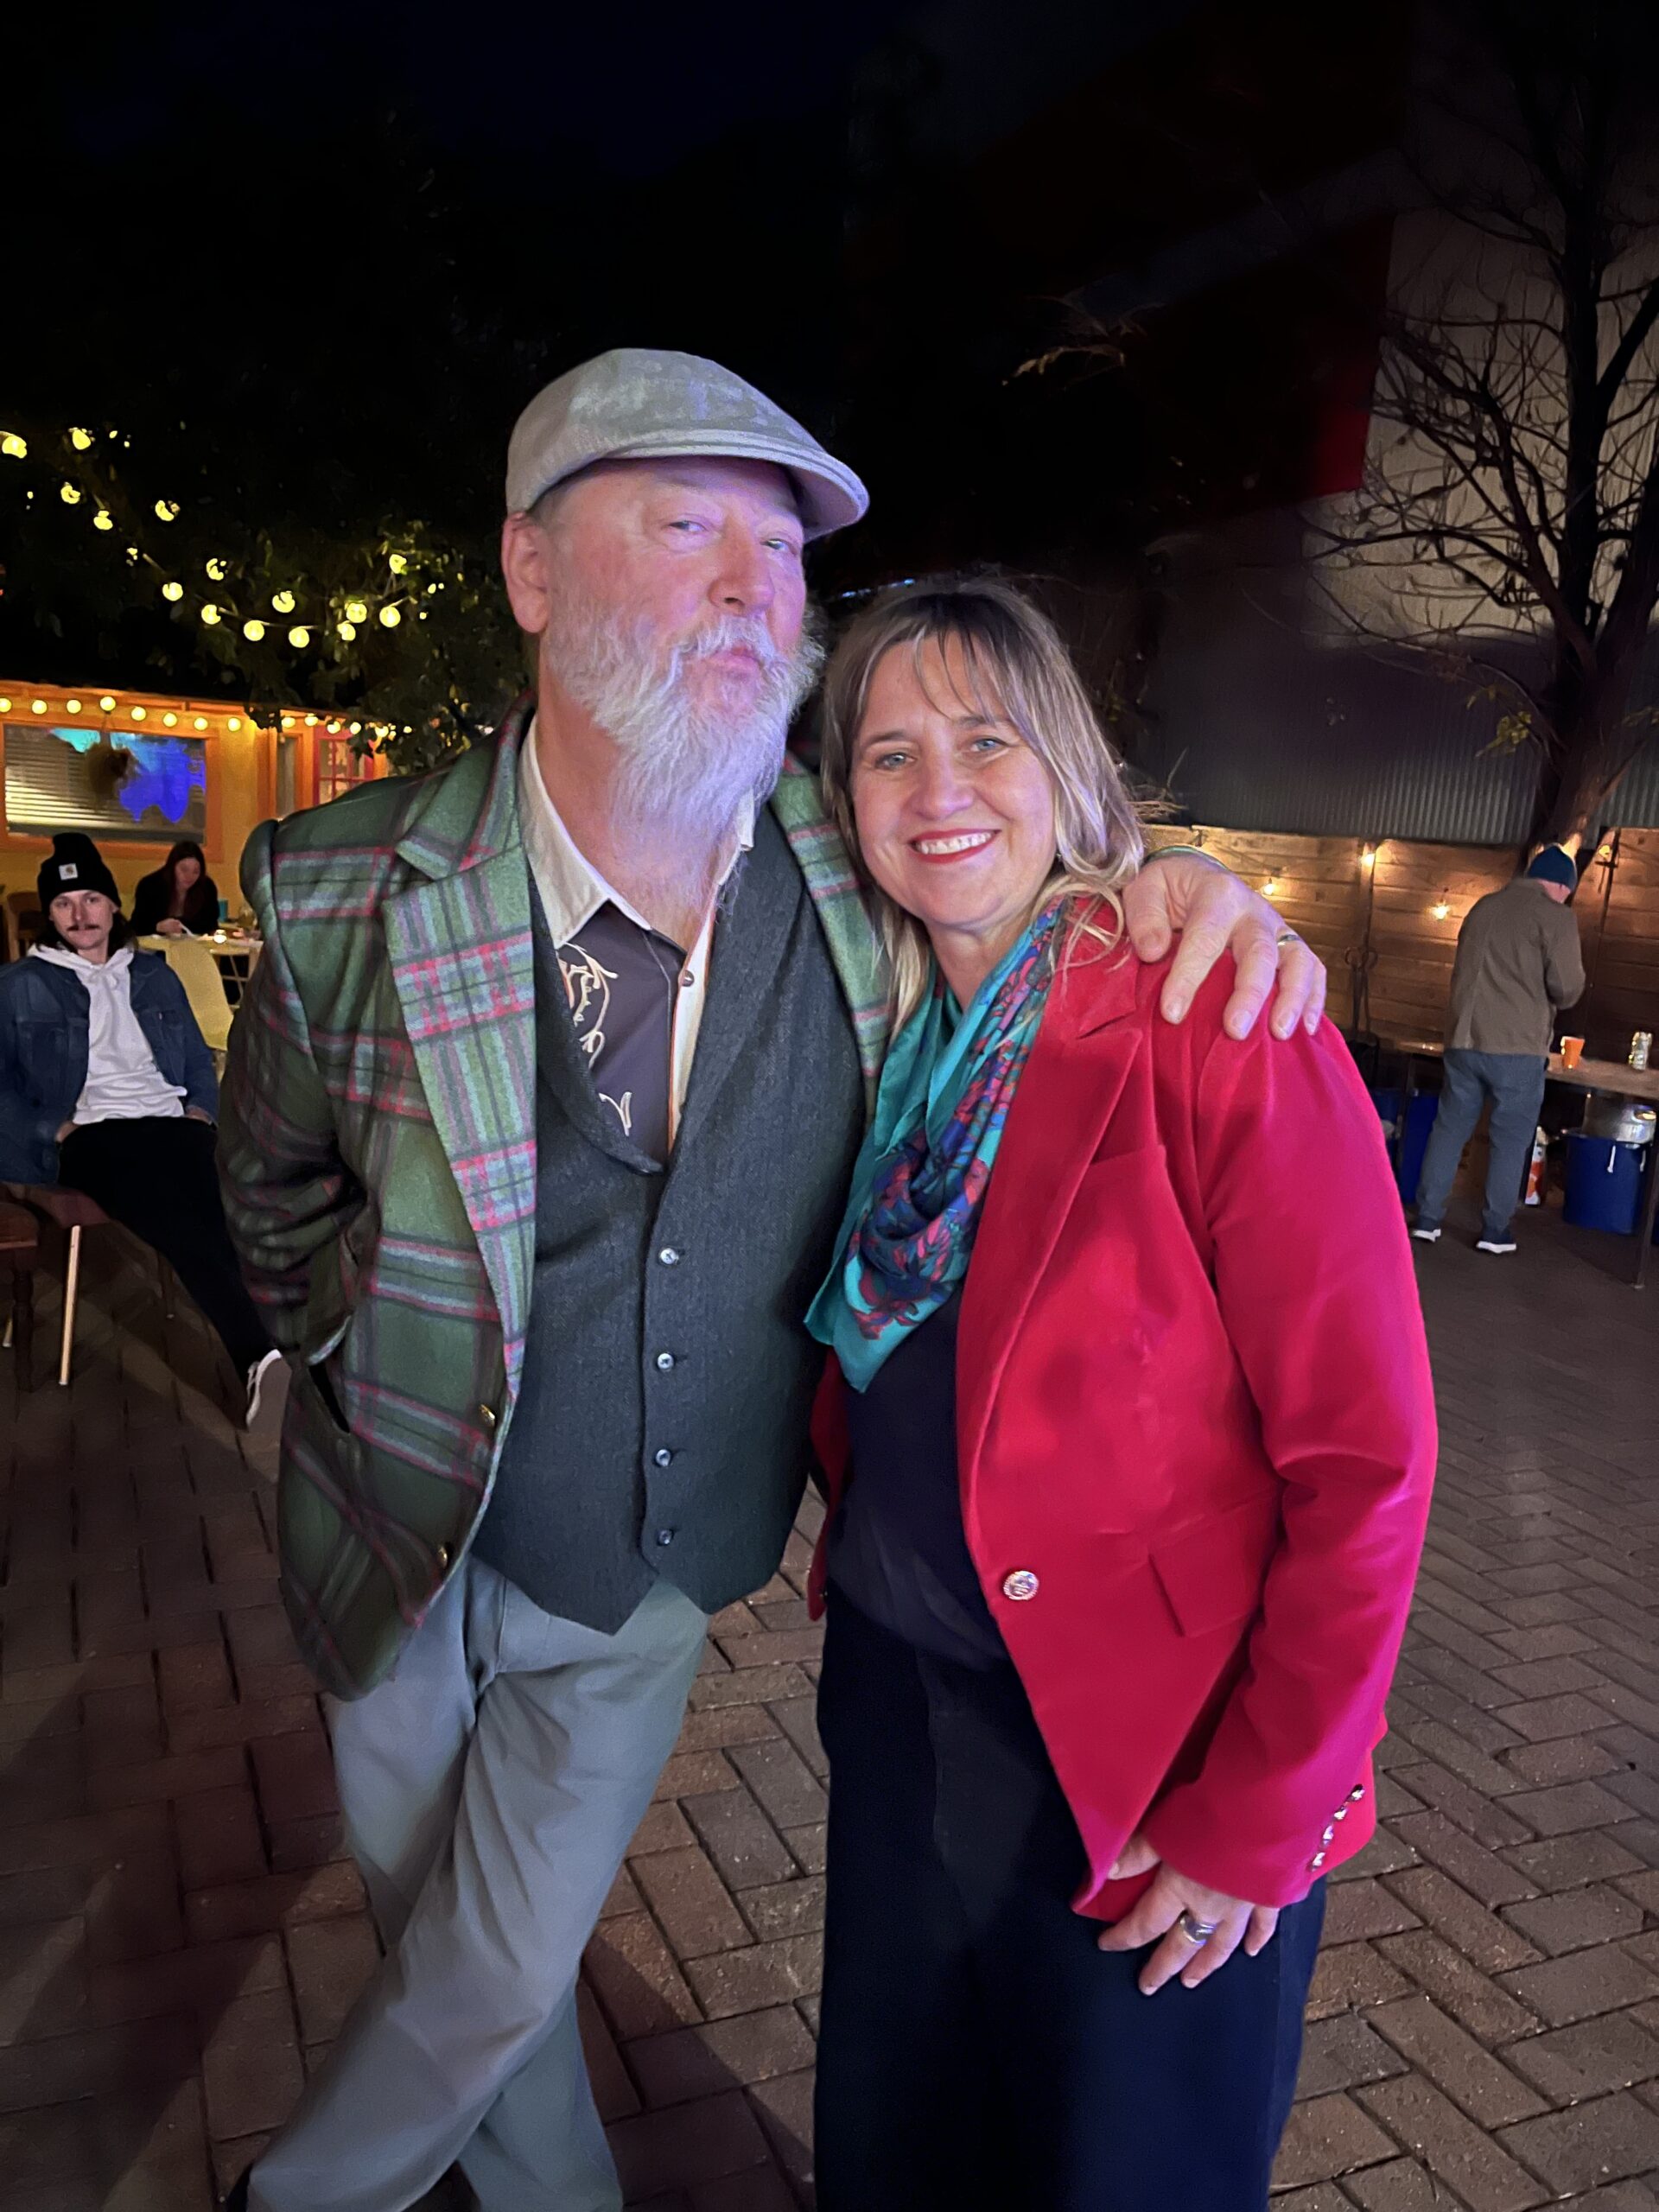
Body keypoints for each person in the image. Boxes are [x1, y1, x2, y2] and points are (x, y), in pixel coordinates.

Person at [215, 348, 1328, 2212]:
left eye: (782, 548)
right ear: (530, 569)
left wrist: (1190, 882)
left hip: (646, 1563)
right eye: (685, 526)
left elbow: (1023, 867)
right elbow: (268, 1184)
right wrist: (361, 1344)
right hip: (386, 1533)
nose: (753, 585)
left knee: (488, 1960)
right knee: (464, 1966)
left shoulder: (852, 864)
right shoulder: (339, 883)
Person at [802, 578, 1437, 2212]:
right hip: (900, 1706)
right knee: (900, 2155)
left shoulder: (1211, 1012)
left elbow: (1368, 1462)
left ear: (1071, 771)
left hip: (1150, 1756)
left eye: (986, 740)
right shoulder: (883, 1025)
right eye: (887, 754)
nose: (936, 791)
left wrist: (1260, 1820)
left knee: (1125, 2174)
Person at [0, 832, 283, 1427]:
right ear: (50, 914)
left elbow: (198, 1059)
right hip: (88, 1133)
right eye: (63, 903)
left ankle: (272, 1354)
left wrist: (201, 1110)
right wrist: (53, 1129)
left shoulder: (154, 974)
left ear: (112, 905)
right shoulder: (20, 984)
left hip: (170, 1121)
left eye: (91, 899)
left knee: (222, 1202)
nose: (80, 915)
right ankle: (258, 1352)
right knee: (177, 1210)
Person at [1413, 842, 1585, 1255]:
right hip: (1516, 1047)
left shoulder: (1483, 907)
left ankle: (1427, 1220)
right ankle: (1495, 1231)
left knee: (1449, 1129)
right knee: (1510, 1140)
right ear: (1562, 886)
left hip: (1463, 1040)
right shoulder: (1555, 916)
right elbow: (1567, 988)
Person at [129, 838, 220, 937]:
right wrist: (158, 927)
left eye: (196, 872)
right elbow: (135, 927)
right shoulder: (150, 886)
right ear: (172, 867)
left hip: (192, 944)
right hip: (154, 945)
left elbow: (211, 926)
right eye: (184, 869)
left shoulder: (207, 888)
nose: (189, 876)